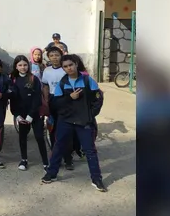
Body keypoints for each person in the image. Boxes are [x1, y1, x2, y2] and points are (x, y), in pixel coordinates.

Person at [42, 54, 106, 192]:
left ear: (76, 64)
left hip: (84, 122)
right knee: (58, 146)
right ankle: (51, 174)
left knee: (90, 150)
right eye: (65, 66)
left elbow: (98, 99)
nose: (68, 68)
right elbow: (56, 103)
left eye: (70, 65)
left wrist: (90, 115)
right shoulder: (62, 83)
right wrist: (69, 97)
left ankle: (97, 179)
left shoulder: (88, 81)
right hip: (66, 121)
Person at [10, 55, 49, 172]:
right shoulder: (12, 79)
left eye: (25, 65)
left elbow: (37, 98)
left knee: (39, 137)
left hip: (34, 114)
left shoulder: (34, 79)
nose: (23, 67)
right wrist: (17, 115)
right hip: (21, 115)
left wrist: (31, 115)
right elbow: (12, 99)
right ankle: (24, 159)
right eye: (20, 65)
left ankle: (46, 162)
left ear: (29, 65)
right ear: (16, 66)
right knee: (22, 137)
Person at [41, 46, 74, 169]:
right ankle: (56, 157)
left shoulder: (66, 69)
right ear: (49, 57)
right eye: (52, 55)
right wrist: (46, 100)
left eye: (57, 55)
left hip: (66, 100)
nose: (54, 57)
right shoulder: (47, 70)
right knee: (52, 129)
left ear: (61, 56)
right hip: (52, 99)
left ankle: (68, 159)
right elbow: (45, 86)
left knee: (66, 130)